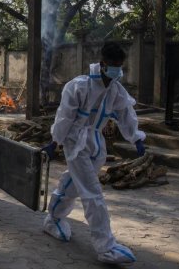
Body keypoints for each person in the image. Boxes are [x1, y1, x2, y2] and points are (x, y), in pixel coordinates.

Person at [41, 41, 146, 264]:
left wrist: (136, 137)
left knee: (74, 182)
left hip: (97, 142)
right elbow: (64, 117)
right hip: (75, 143)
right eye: (114, 65)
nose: (118, 70)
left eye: (120, 66)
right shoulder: (78, 86)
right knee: (92, 192)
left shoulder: (116, 90)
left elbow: (126, 114)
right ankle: (105, 246)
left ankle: (54, 218)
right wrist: (55, 141)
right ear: (103, 64)